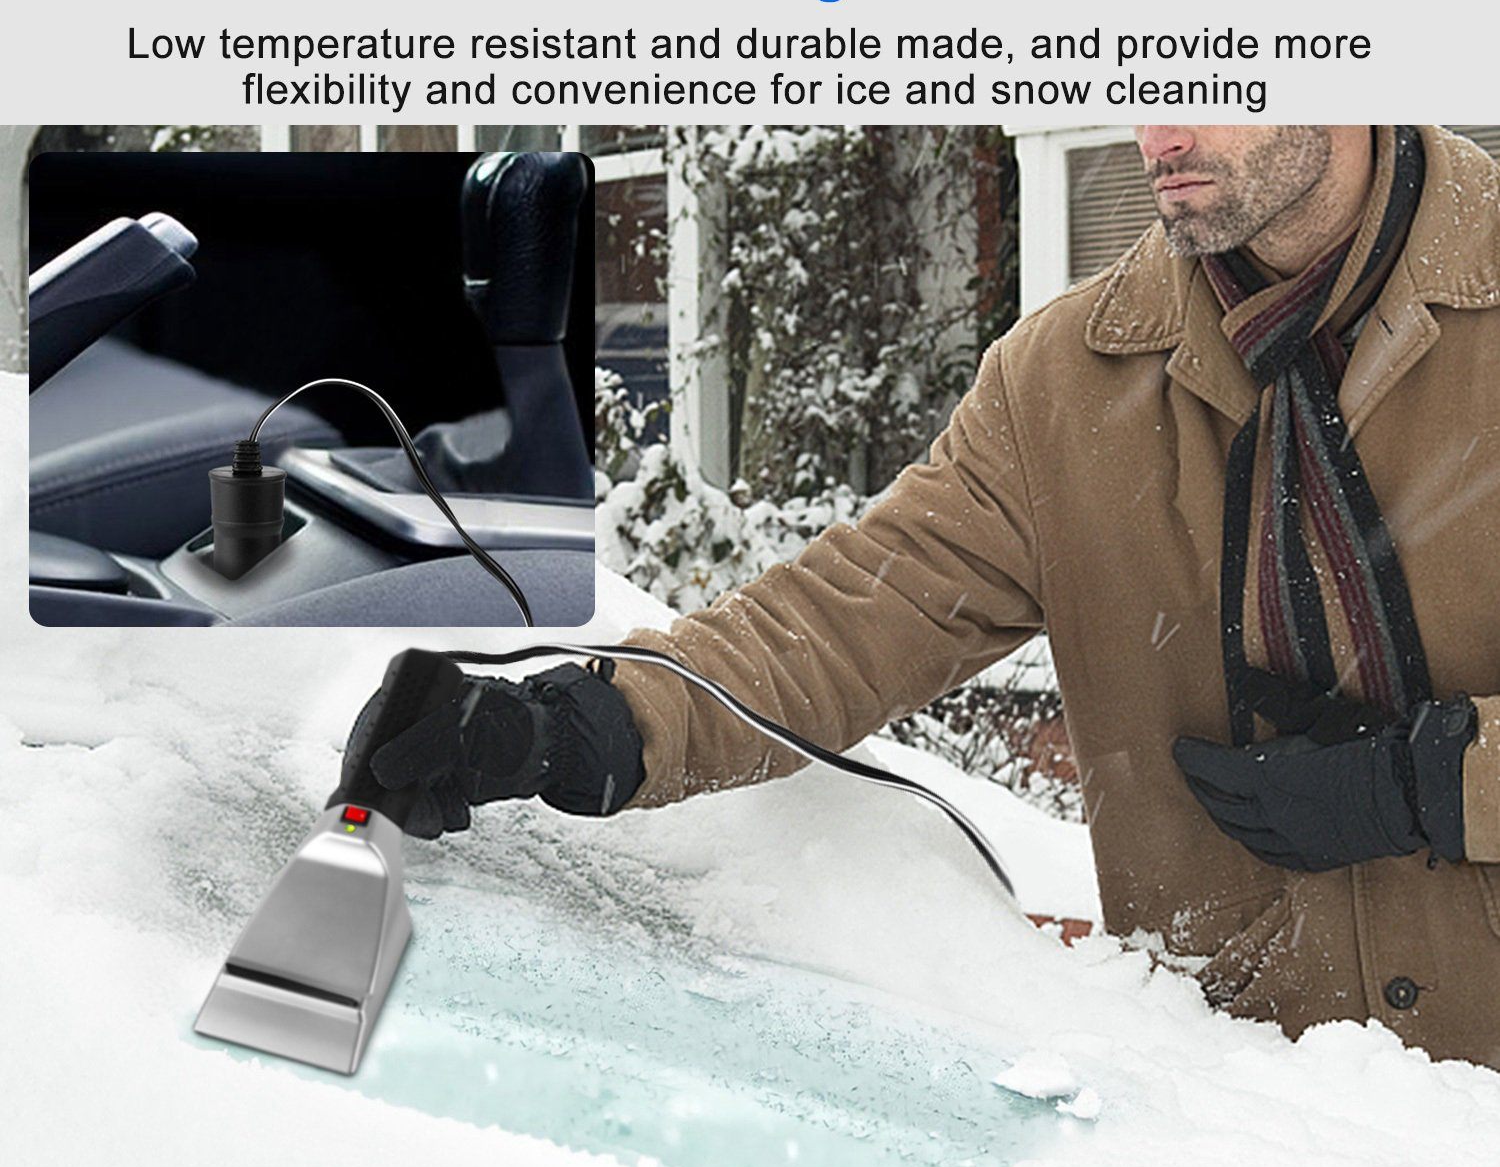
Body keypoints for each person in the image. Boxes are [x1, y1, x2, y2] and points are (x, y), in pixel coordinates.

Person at [353, 125, 1500, 1069]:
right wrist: (585, 721)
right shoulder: (1070, 383)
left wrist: (1438, 782)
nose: (1160, 131)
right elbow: (856, 614)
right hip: (1238, 1122)